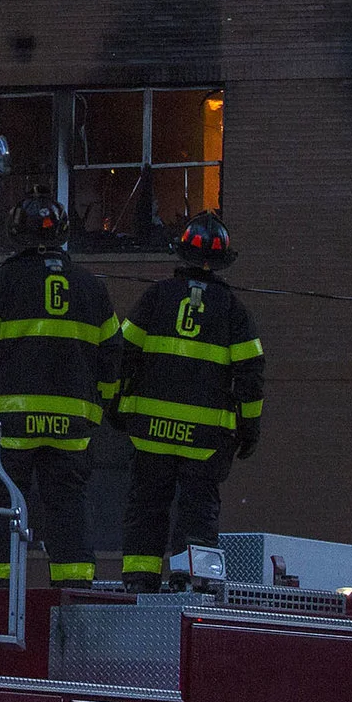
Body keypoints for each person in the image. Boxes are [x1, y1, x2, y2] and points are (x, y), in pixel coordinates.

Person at [0, 196, 121, 587]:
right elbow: (113, 354)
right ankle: (74, 590)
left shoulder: (2, 285)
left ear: (14, 234)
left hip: (10, 426)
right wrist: (100, 406)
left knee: (3, 504)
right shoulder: (91, 288)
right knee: (68, 506)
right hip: (72, 429)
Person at [114, 211, 264, 591]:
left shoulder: (156, 297)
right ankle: (190, 580)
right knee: (197, 513)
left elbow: (122, 353)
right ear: (223, 261)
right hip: (205, 441)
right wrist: (249, 429)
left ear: (182, 255)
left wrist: (116, 404)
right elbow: (250, 375)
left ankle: (139, 580)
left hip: (150, 434)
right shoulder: (233, 311)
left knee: (147, 507)